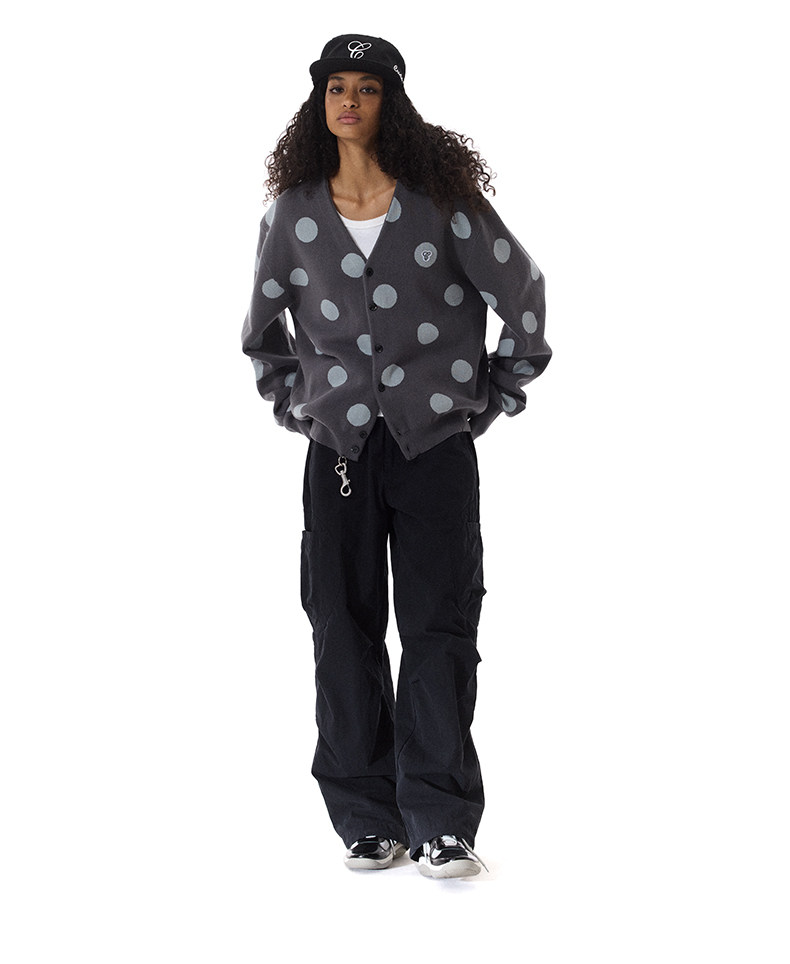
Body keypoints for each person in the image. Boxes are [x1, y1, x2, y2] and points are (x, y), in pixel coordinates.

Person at [241, 34, 551, 879]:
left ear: (393, 102)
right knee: (340, 628)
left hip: (435, 448)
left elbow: (522, 294)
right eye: (336, 87)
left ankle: (442, 820)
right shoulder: (292, 214)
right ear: (320, 102)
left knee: (440, 625)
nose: (349, 101)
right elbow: (262, 334)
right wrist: (301, 407)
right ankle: (366, 818)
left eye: (367, 88)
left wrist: (489, 395)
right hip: (337, 452)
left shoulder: (443, 203)